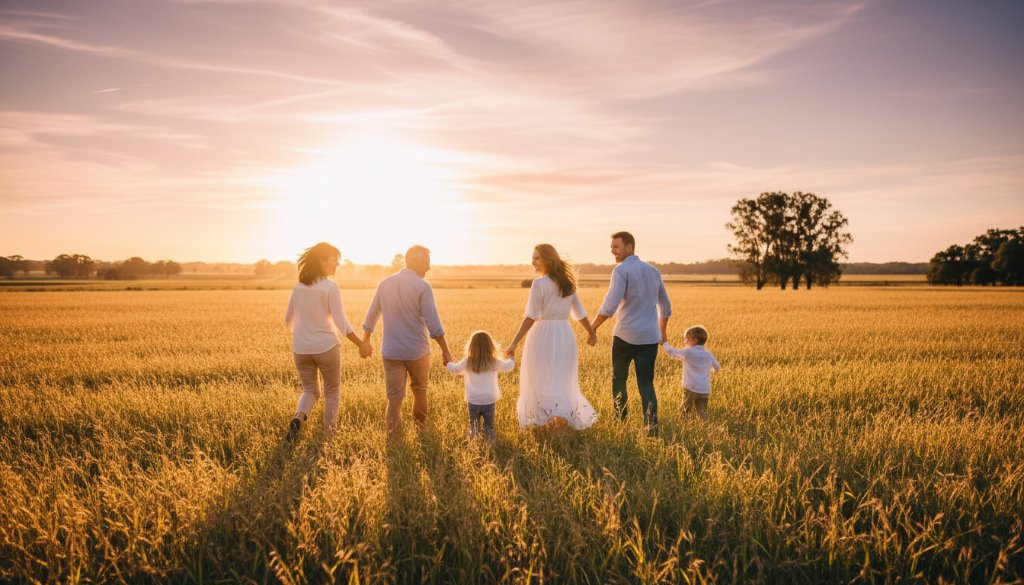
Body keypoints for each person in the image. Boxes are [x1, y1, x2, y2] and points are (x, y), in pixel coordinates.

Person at [362, 245, 452, 439]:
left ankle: (394, 442)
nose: (429, 268)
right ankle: (420, 434)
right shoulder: (422, 286)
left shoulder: (385, 283)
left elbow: (371, 316)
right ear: (415, 261)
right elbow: (433, 322)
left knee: (393, 401)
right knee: (420, 392)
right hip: (417, 352)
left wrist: (365, 341)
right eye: (426, 263)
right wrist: (446, 350)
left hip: (391, 352)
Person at [506, 244, 598, 430]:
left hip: (542, 336)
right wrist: (590, 332)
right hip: (565, 335)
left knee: (540, 379)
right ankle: (562, 425)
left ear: (548, 259)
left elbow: (531, 316)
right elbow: (580, 313)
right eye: (532, 258)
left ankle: (544, 424)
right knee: (561, 379)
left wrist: (514, 343)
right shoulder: (567, 283)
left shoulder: (539, 284)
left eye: (537, 258)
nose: (533, 262)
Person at [284, 242, 371, 440]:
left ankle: (299, 417)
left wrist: (304, 334)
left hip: (301, 350)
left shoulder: (298, 287)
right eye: (334, 260)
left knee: (310, 390)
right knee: (332, 392)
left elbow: (288, 319)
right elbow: (341, 323)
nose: (337, 264)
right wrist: (361, 344)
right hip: (326, 348)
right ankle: (329, 436)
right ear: (322, 261)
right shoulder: (330, 287)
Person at [591, 231, 672, 436]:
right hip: (649, 338)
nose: (613, 251)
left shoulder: (621, 270)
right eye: (612, 247)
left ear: (629, 247)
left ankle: (621, 424)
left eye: (616, 247)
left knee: (619, 380)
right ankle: (651, 428)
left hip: (625, 337)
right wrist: (662, 332)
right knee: (646, 383)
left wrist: (592, 328)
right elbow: (666, 307)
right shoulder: (654, 271)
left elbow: (610, 305)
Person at [446, 331, 515, 441]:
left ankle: (473, 448)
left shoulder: (468, 361)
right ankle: (489, 447)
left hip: (473, 400)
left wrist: (448, 362)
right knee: (489, 426)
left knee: (473, 428)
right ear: (490, 345)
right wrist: (511, 357)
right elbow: (508, 367)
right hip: (489, 400)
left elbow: (455, 369)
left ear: (471, 346)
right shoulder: (493, 361)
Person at [662, 325, 720, 422]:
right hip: (704, 389)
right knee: (702, 411)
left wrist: (664, 343)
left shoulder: (688, 352)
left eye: (686, 339)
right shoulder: (708, 354)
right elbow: (717, 368)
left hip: (691, 388)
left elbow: (673, 353)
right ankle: (705, 426)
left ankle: (683, 425)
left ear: (695, 340)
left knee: (685, 409)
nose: (685, 342)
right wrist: (707, 368)